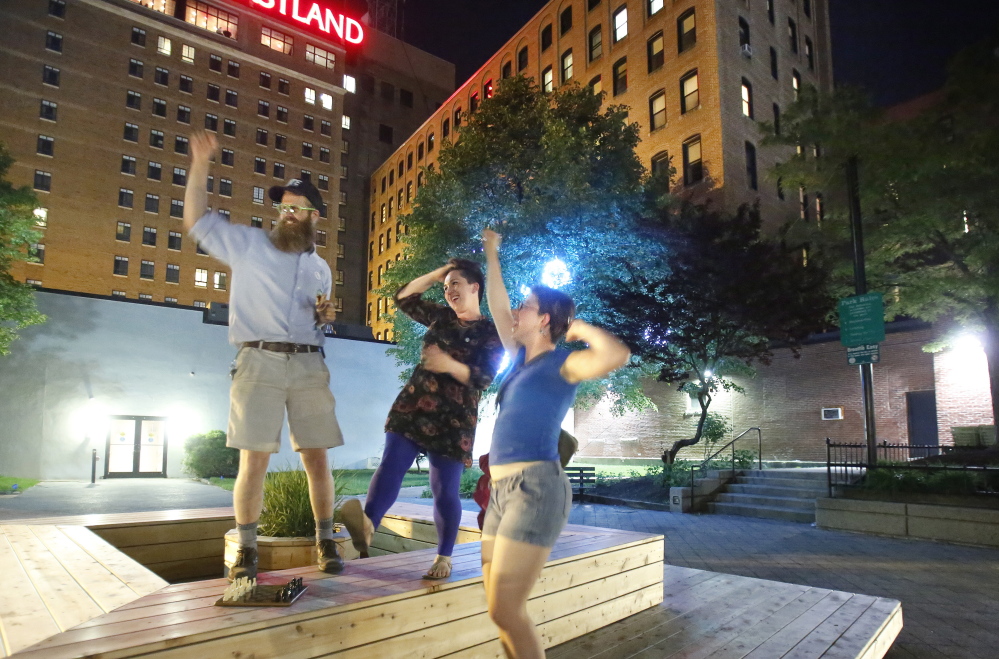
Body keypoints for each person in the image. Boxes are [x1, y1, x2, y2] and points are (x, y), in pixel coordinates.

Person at [184, 131, 344, 581]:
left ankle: (325, 541)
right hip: (258, 362)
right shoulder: (251, 245)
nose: (287, 213)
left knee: (317, 457)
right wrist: (200, 163)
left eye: (297, 207)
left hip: (310, 363)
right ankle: (248, 549)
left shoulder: (321, 267)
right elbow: (196, 219)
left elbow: (318, 315)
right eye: (283, 207)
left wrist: (324, 315)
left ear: (314, 216)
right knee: (253, 458)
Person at [480, 228, 630, 658]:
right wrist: (492, 253)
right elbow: (495, 303)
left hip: (536, 488)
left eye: (525, 307)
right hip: (500, 492)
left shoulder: (563, 363)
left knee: (506, 609)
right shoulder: (518, 360)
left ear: (544, 319)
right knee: (497, 608)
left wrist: (579, 326)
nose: (515, 311)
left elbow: (617, 355)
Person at [341, 259, 504, 579]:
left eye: (455, 284)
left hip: (453, 419)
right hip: (414, 406)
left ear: (475, 288)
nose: (448, 291)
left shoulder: (490, 331)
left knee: (444, 488)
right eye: (445, 287)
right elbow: (403, 298)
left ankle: (444, 557)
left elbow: (483, 377)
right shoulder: (442, 317)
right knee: (391, 464)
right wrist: (437, 272)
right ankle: (368, 525)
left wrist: (447, 364)